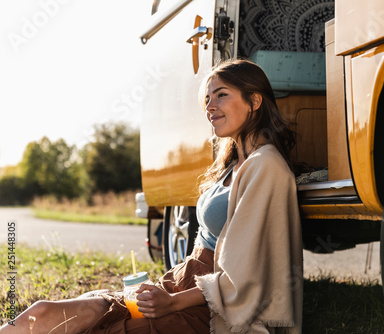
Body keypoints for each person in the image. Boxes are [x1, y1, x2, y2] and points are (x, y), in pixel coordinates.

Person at [0, 59, 303, 334]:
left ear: (255, 100)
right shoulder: (232, 164)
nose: (210, 106)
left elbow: (246, 273)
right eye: (207, 99)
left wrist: (171, 303)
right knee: (46, 312)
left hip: (215, 306)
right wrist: (168, 290)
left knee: (105, 328)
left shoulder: (266, 167)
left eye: (221, 95)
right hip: (186, 280)